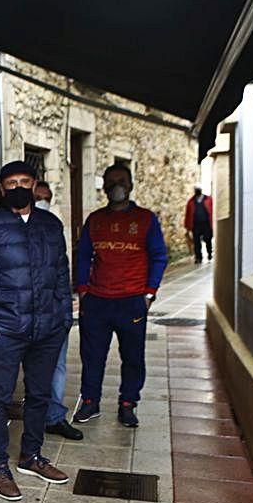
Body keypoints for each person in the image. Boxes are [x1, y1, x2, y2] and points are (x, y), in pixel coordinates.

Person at [0, 161, 72, 502]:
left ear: (35, 184)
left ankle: (31, 456)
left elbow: (61, 273)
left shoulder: (51, 225)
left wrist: (64, 318)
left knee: (39, 395)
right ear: (1, 188)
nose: (18, 187)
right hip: (6, 329)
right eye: (11, 183)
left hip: (48, 329)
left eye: (24, 181)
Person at [73, 164, 168, 428]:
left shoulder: (146, 219)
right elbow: (83, 257)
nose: (117, 186)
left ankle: (128, 404)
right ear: (103, 186)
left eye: (122, 181)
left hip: (131, 301)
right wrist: (83, 290)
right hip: (97, 301)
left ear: (131, 184)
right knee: (92, 355)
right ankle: (90, 402)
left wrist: (149, 293)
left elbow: (159, 256)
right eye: (112, 181)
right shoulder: (95, 220)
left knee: (133, 356)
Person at [33, 181, 83, 441]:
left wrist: (65, 311)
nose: (43, 201)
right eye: (38, 197)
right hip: (21, 317)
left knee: (57, 366)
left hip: (54, 312)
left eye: (47, 197)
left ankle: (54, 417)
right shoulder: (7, 228)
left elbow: (62, 270)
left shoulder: (54, 227)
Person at [185, 186, 214, 263]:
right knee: (196, 241)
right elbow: (188, 214)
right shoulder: (191, 202)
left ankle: (209, 253)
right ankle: (198, 257)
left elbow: (212, 211)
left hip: (206, 224)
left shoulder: (208, 200)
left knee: (208, 239)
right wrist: (187, 227)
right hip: (196, 225)